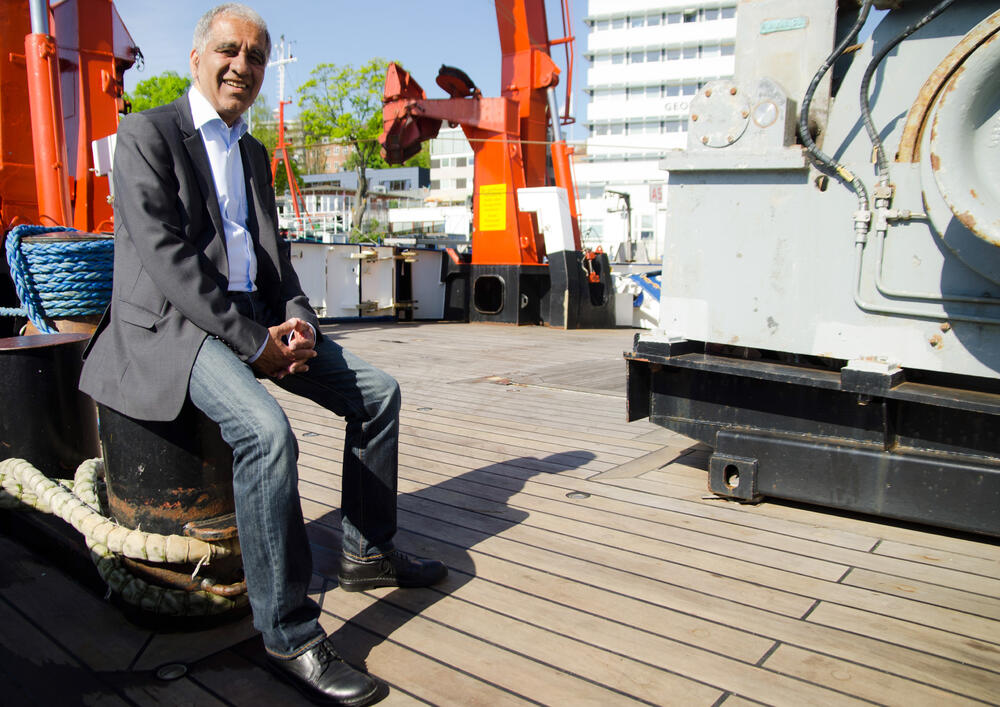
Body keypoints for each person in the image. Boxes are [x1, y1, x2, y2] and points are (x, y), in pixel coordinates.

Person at [79, 4, 445, 704]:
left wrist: (299, 321)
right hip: (176, 327)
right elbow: (168, 262)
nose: (241, 66)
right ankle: (290, 634)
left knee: (378, 393)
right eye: (228, 50)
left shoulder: (250, 151)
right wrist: (255, 345)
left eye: (254, 55)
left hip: (250, 318)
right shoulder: (145, 134)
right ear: (196, 57)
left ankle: (368, 551)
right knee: (266, 435)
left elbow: (274, 262)